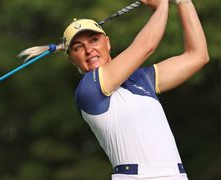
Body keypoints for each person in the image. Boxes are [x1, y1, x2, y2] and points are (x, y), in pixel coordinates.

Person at [20, 0, 209, 179]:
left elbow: (197, 55)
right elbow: (146, 46)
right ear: (72, 59)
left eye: (94, 40)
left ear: (107, 43)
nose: (88, 50)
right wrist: (161, 7)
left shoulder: (142, 79)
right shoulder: (89, 89)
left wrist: (183, 2)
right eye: (78, 47)